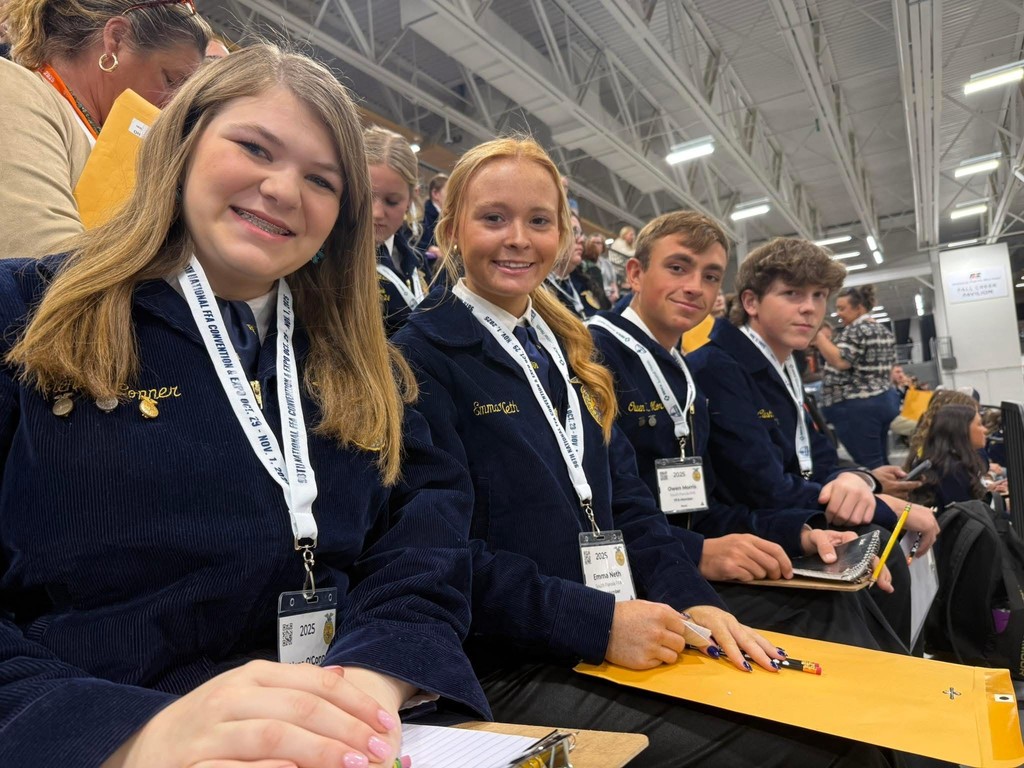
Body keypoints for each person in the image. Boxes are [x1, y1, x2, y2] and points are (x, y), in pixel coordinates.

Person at [0, 45, 488, 767]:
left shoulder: (367, 366)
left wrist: (370, 687)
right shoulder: (26, 311)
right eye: (254, 147)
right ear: (182, 144)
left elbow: (424, 546)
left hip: (345, 728)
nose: (283, 190)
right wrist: (123, 733)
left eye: (321, 180)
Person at [394, 137, 896, 767]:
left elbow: (630, 507)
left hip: (618, 619)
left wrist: (696, 600)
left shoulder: (567, 351)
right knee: (809, 747)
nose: (518, 238)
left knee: (840, 701)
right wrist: (597, 621)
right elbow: (437, 556)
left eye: (539, 221)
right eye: (494, 218)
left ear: (562, 235)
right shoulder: (418, 356)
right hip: (510, 658)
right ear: (451, 228)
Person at [589, 211, 901, 651]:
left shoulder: (681, 374)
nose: (696, 286)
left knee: (853, 579)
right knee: (826, 612)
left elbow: (703, 506)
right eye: (678, 267)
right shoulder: (590, 355)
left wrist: (800, 531)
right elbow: (598, 512)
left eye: (711, 275)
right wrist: (698, 551)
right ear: (636, 274)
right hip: (638, 576)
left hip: (683, 553)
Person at [687, 238, 937, 645]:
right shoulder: (718, 368)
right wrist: (884, 503)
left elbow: (817, 455)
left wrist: (861, 481)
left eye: (819, 295)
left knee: (881, 540)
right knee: (880, 541)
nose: (810, 308)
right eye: (792, 294)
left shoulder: (783, 363)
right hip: (745, 528)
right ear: (751, 302)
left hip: (780, 515)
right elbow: (764, 485)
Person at [0, 0, 211, 260]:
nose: (171, 107)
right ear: (116, 40)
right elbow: (40, 259)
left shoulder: (107, 138)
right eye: (170, 80)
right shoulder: (13, 88)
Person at [813, 285, 900, 468]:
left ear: (859, 308)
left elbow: (842, 361)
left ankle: (882, 495)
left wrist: (818, 336)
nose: (838, 313)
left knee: (871, 467)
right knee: (881, 461)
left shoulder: (856, 330)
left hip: (858, 406)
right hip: (883, 399)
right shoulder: (883, 331)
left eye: (842, 308)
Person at [365, 126, 432, 336]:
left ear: (411, 198)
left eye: (392, 201)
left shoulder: (417, 262)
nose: (376, 213)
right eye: (365, 196)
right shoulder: (324, 261)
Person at [909, 405, 995, 509]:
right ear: (962, 431)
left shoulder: (943, 463)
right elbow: (971, 518)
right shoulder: (952, 471)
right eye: (979, 424)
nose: (985, 430)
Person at [544, 212, 594, 318]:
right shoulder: (536, 288)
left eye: (581, 234)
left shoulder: (583, 282)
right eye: (574, 231)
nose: (582, 240)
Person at [420, 171, 447, 258]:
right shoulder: (422, 215)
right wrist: (430, 248)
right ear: (435, 193)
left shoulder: (445, 217)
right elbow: (413, 242)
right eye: (449, 192)